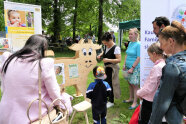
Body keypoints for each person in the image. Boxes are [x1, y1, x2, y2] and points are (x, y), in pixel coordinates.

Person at [0, 34, 72, 124]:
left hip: (5, 114)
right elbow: (54, 93)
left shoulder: (8, 60)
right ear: (43, 48)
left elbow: (4, 87)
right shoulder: (43, 64)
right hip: (32, 117)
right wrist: (63, 105)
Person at [148, 21, 186, 124]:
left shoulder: (173, 66)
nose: (160, 47)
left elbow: (162, 102)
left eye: (161, 42)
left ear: (171, 41)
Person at [136, 42, 166, 124]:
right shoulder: (165, 64)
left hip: (150, 101)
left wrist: (139, 93)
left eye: (149, 56)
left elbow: (150, 87)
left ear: (154, 54)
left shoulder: (157, 67)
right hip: (158, 100)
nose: (149, 58)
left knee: (145, 120)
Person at [97, 32, 121, 108]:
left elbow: (119, 60)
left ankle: (111, 101)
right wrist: (100, 55)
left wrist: (108, 60)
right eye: (104, 43)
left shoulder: (116, 48)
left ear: (110, 39)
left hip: (112, 69)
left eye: (106, 43)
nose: (105, 45)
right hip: (106, 68)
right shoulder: (106, 46)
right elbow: (105, 51)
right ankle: (106, 98)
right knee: (105, 83)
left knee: (111, 84)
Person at [123, 28, 140, 110]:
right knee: (130, 83)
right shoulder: (130, 44)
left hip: (134, 68)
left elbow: (139, 58)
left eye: (131, 34)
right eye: (129, 34)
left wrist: (133, 68)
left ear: (136, 35)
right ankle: (130, 98)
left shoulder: (138, 44)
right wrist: (124, 64)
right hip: (128, 67)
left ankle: (135, 102)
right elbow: (126, 54)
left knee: (135, 85)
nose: (129, 35)